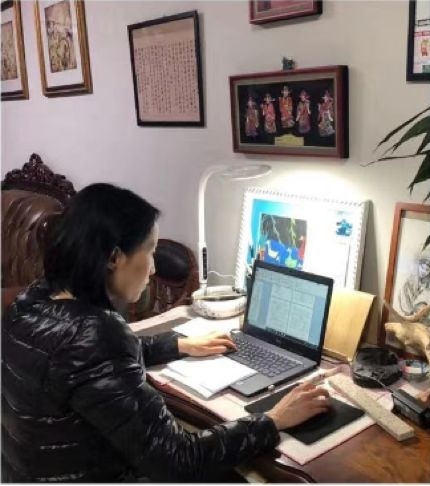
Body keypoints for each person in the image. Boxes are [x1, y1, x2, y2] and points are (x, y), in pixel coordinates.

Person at [2, 183, 330, 482]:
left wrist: (178, 345)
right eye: (150, 251)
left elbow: (82, 364)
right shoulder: (95, 334)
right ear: (114, 257)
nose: (154, 268)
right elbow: (179, 460)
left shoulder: (32, 300)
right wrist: (273, 420)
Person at [398, 241, 430, 326]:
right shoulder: (409, 282)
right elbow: (404, 302)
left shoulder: (427, 285)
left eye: (427, 269)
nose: (424, 271)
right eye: (423, 267)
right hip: (410, 319)